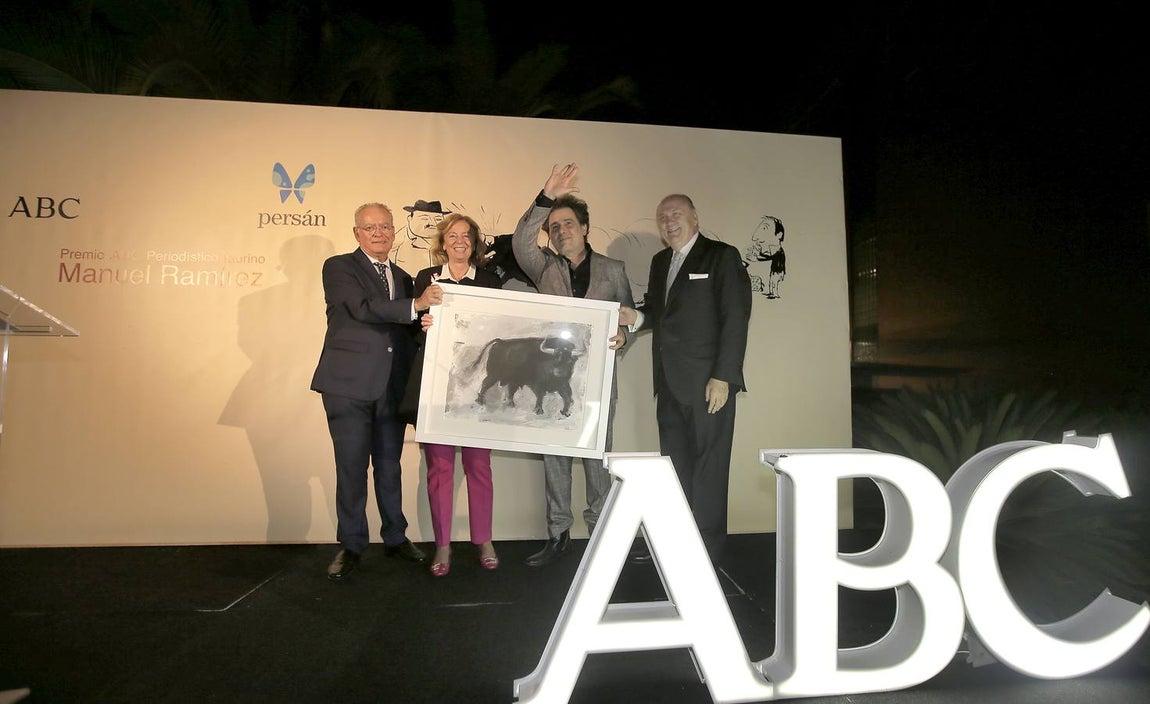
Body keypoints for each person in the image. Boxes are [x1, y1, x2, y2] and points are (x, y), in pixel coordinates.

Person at [310, 202, 443, 581]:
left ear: (394, 232)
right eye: (370, 228)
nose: (379, 233)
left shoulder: (403, 277)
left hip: (390, 387)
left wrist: (429, 323)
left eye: (385, 226)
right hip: (347, 386)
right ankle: (351, 545)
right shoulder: (338, 267)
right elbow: (362, 308)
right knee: (351, 467)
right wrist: (416, 305)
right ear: (357, 233)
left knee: (389, 466)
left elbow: (407, 327)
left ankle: (396, 537)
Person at [618, 193, 752, 564]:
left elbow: (735, 318)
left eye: (676, 213)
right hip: (669, 384)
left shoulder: (721, 256)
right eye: (662, 217)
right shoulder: (662, 262)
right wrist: (637, 318)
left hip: (709, 385)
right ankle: (680, 545)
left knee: (709, 468)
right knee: (675, 468)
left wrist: (723, 377)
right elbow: (661, 313)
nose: (668, 221)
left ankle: (707, 554)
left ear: (694, 216)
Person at [512, 163, 634, 567]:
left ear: (584, 227)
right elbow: (520, 241)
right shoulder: (543, 266)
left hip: (598, 381)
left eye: (568, 223)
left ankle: (600, 535)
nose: (562, 230)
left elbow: (628, 316)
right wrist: (545, 195)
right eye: (555, 226)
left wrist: (624, 336)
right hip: (553, 378)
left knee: (597, 460)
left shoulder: (613, 270)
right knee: (556, 458)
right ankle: (558, 536)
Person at [412, 213, 503, 577]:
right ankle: (443, 545)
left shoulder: (490, 281)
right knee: (440, 468)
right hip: (438, 386)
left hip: (477, 387)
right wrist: (423, 323)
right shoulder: (426, 279)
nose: (460, 241)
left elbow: (500, 328)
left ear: (474, 242)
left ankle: (484, 539)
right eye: (453, 235)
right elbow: (414, 330)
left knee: (479, 466)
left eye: (466, 236)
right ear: (443, 242)